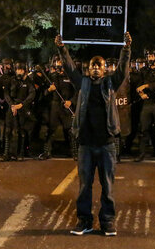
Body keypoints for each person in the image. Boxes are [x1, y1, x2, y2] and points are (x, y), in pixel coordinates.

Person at [54, 32, 131, 237]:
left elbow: (123, 70)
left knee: (107, 186)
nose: (96, 68)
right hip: (86, 144)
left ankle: (107, 221)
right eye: (93, 65)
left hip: (106, 143)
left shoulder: (110, 84)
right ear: (88, 69)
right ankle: (84, 221)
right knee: (84, 186)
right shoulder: (83, 83)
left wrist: (126, 49)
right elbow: (70, 69)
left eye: (100, 65)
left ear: (105, 69)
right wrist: (62, 48)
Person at [134, 49, 155, 163]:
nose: (150, 58)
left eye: (152, 56)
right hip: (147, 102)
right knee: (144, 129)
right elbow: (138, 85)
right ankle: (141, 154)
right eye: (148, 56)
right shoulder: (144, 70)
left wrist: (147, 85)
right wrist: (141, 93)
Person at [3, 61, 36, 161]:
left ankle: (20, 153)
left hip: (23, 108)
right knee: (8, 131)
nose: (19, 72)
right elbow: (6, 94)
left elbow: (32, 94)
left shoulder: (28, 82)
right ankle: (6, 153)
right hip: (12, 107)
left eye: (21, 70)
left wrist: (21, 105)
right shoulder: (11, 80)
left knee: (22, 131)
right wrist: (12, 105)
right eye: (17, 69)